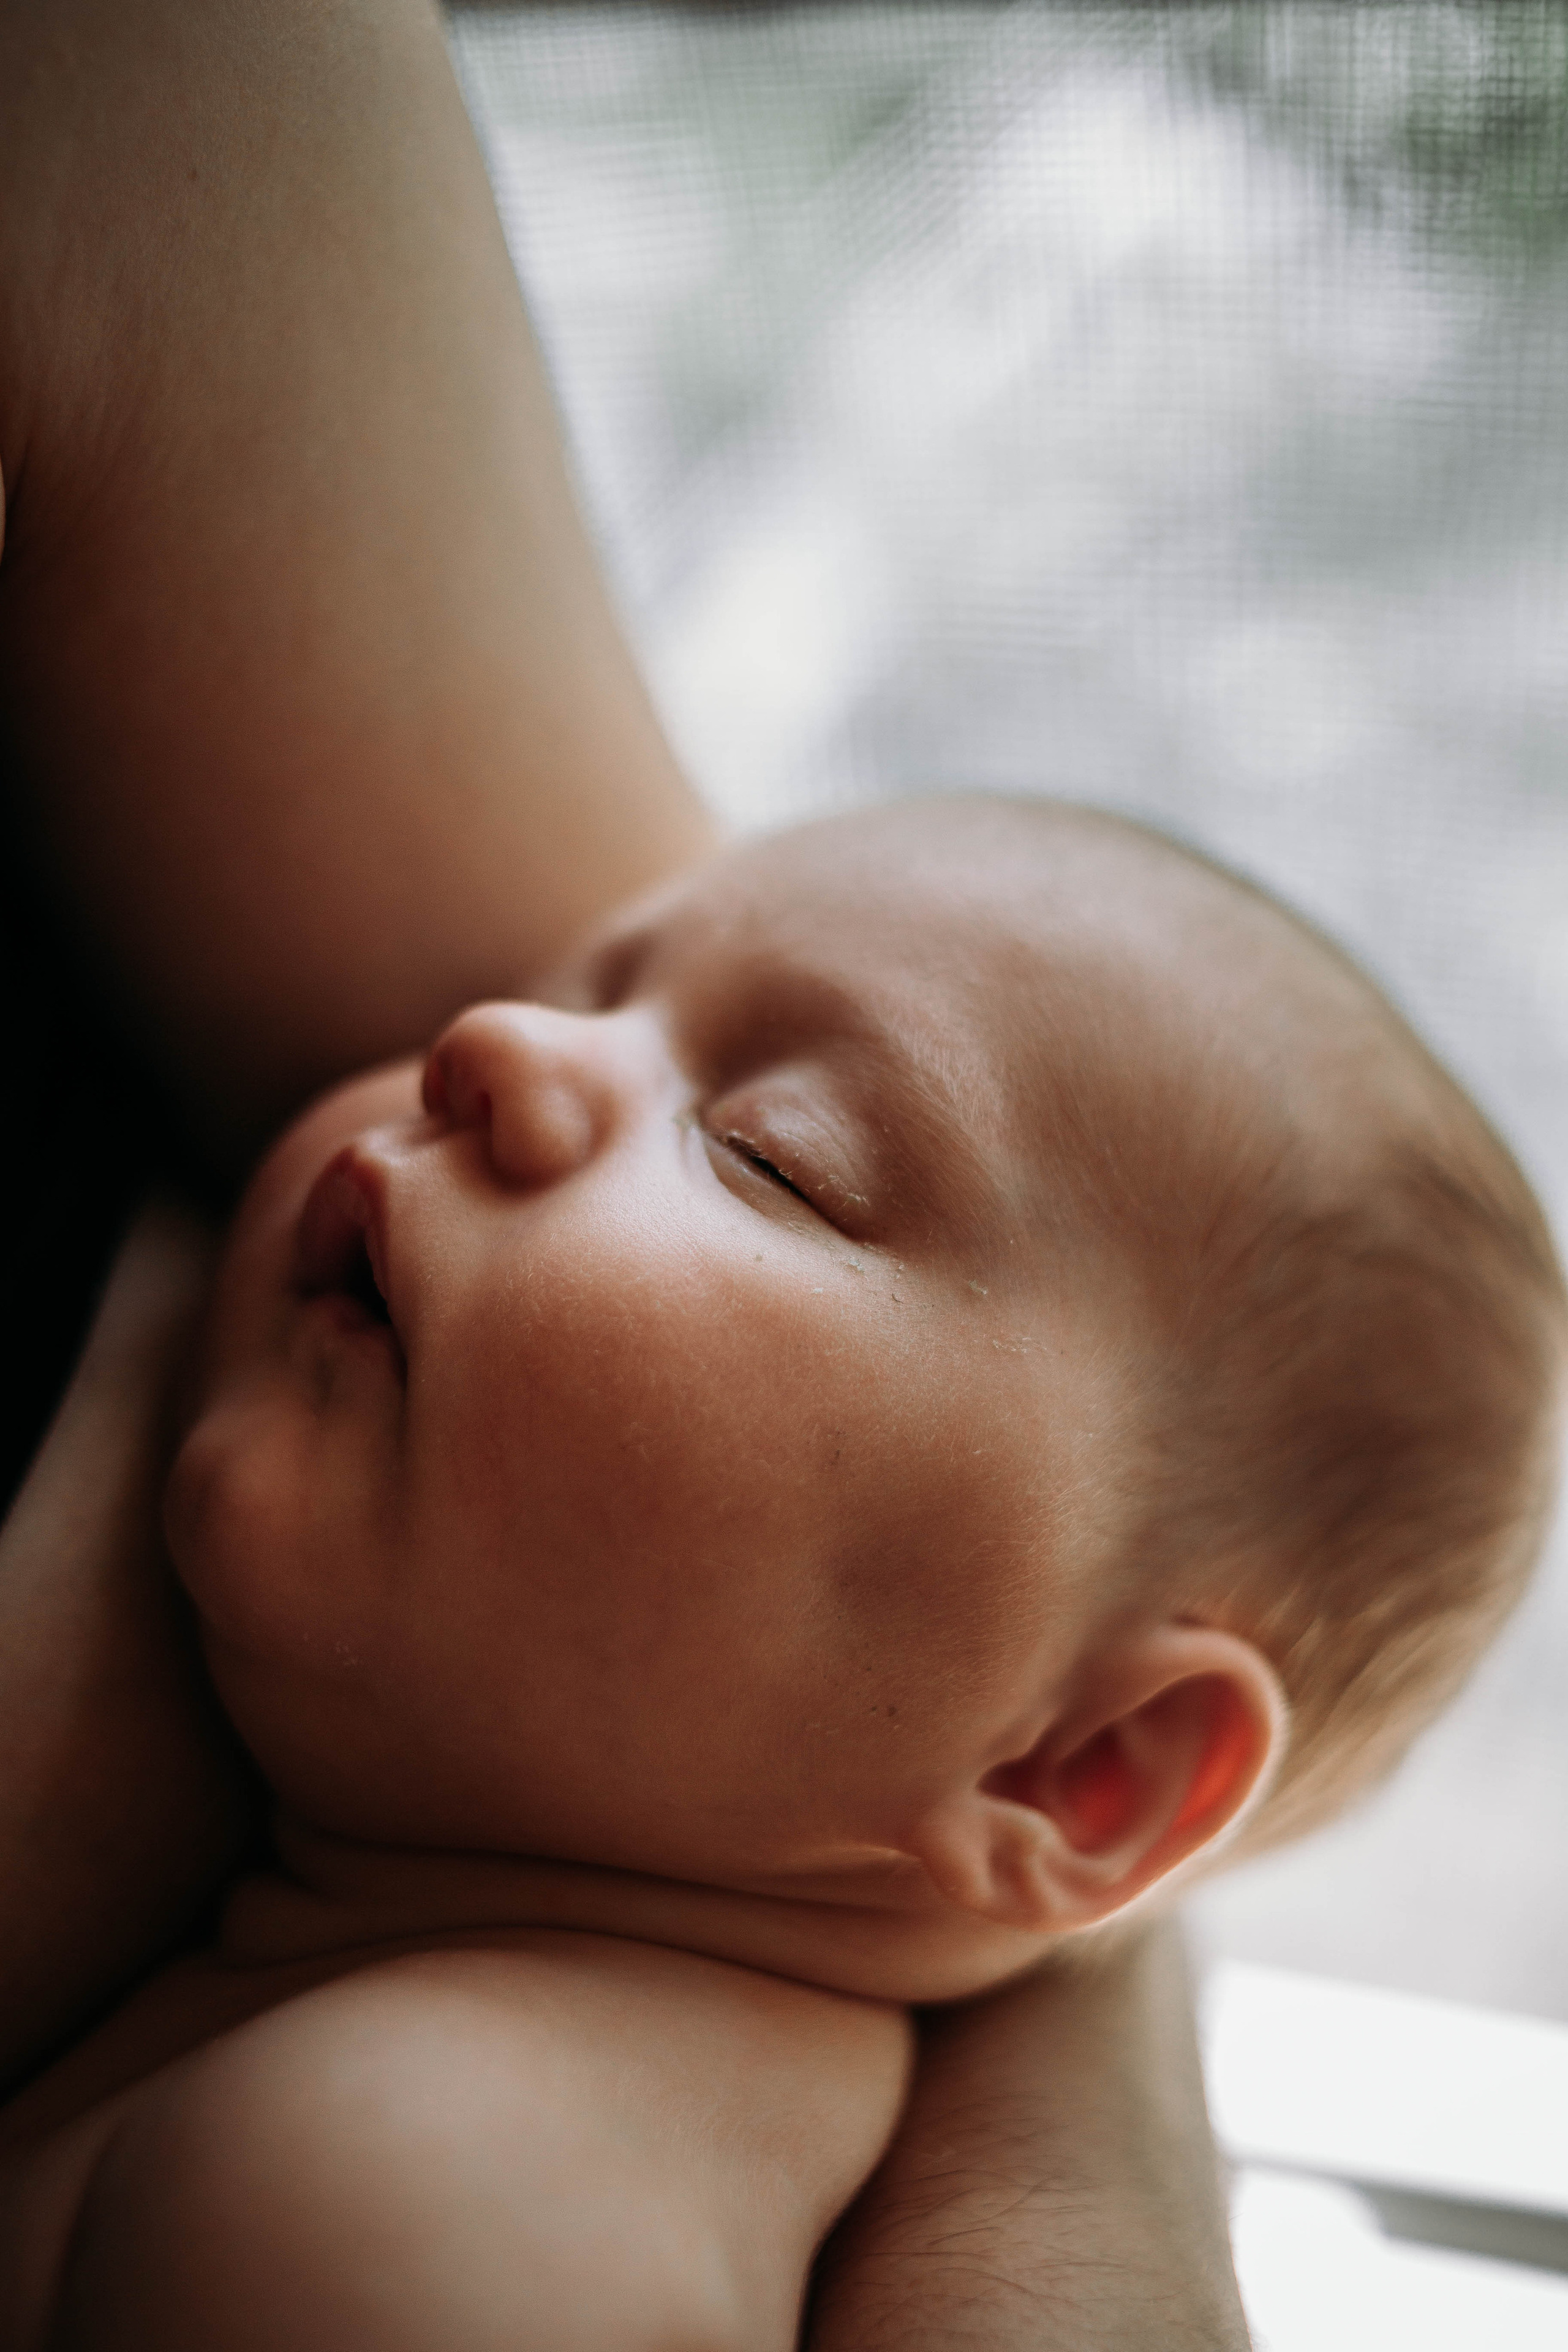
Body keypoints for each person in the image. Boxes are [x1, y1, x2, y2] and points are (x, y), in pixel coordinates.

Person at [1, 2, 1557, 2346]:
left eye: (769, 1159)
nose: (497, 1046)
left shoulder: (392, 2189)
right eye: (584, 982)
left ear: (1087, 1771)